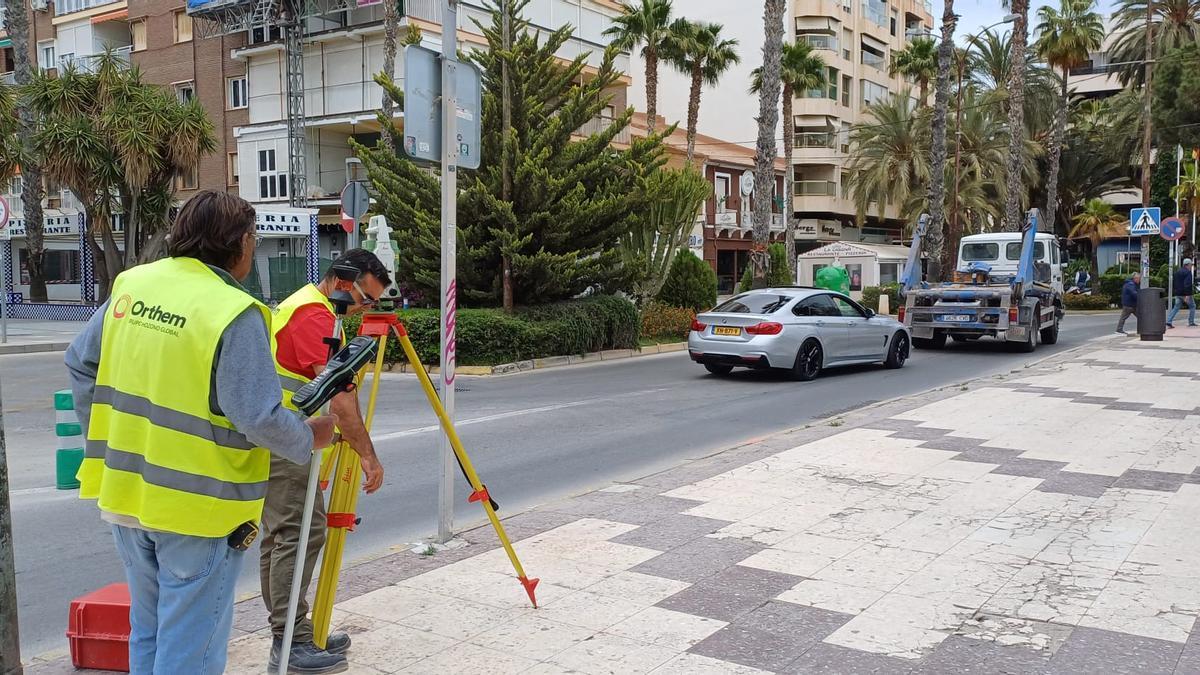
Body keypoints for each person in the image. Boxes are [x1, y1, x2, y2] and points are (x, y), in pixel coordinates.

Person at [65, 190, 338, 674]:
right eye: (253, 238)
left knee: (149, 634)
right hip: (199, 510)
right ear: (239, 243)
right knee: (191, 649)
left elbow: (81, 363)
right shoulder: (234, 310)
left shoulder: (133, 285)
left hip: (127, 495)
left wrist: (103, 441)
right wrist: (308, 436)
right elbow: (256, 415)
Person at [261, 249, 389, 673]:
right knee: (296, 534)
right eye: (364, 299)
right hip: (286, 439)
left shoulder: (310, 307)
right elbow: (341, 401)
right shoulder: (314, 318)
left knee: (284, 535)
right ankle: (291, 640)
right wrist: (368, 457)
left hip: (287, 435)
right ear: (342, 280)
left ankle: (295, 629)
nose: (365, 310)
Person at [1167, 258, 1196, 329]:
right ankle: (1191, 322)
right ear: (1187, 265)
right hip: (1185, 294)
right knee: (1193, 306)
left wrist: (1176, 292)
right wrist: (1187, 295)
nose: (1191, 266)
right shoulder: (1188, 272)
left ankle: (1169, 321)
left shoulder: (1177, 272)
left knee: (1176, 307)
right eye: (1190, 265)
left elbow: (1175, 283)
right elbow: (1187, 284)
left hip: (1178, 294)